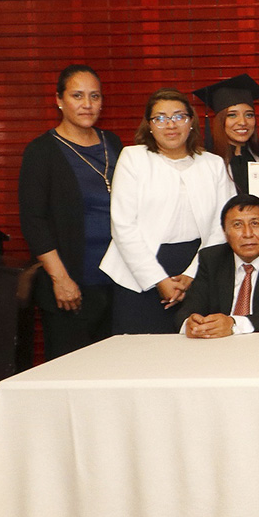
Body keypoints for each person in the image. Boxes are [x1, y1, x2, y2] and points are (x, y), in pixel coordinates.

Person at [100, 88, 236, 334]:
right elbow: (123, 226)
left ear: (191, 121)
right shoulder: (133, 158)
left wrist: (192, 275)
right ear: (149, 125)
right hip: (139, 271)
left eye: (179, 116)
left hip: (198, 267)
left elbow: (222, 225)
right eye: (160, 118)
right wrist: (158, 279)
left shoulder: (213, 164)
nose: (170, 125)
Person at [18, 65, 123, 358]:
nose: (87, 104)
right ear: (59, 99)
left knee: (114, 371)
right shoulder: (42, 151)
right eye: (78, 95)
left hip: (117, 283)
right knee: (72, 374)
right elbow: (33, 220)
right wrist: (60, 279)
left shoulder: (112, 143)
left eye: (95, 96)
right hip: (72, 286)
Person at [176, 194, 259, 337]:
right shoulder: (211, 259)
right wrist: (191, 323)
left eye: (255, 224)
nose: (247, 234)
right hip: (218, 348)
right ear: (225, 232)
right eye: (237, 225)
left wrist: (234, 325)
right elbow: (189, 308)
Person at [193, 74, 259, 194]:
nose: (243, 122)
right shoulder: (205, 161)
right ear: (220, 120)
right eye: (232, 115)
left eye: (249, 115)